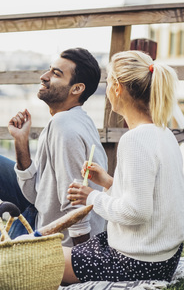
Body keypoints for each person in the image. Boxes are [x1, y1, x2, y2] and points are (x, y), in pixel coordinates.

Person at [0, 48, 107, 247]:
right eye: (49, 70)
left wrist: (83, 258)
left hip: (51, 234)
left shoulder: (65, 128)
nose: (44, 77)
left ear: (76, 89)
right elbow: (36, 194)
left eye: (56, 74)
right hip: (41, 209)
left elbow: (75, 201)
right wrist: (21, 141)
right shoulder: (72, 119)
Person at [63, 50, 184, 283]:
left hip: (135, 263)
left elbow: (137, 212)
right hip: (162, 258)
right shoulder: (164, 133)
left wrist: (91, 197)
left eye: (108, 82)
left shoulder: (134, 140)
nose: (107, 90)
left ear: (117, 88)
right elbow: (154, 197)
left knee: (45, 260)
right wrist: (108, 182)